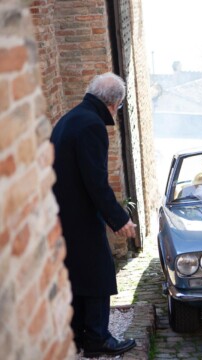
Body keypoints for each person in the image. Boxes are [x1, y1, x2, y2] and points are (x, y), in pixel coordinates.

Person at [50, 73, 137, 357]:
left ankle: (76, 336)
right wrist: (120, 218)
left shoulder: (69, 118)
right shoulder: (91, 125)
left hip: (62, 214)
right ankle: (98, 338)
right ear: (114, 103)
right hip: (80, 216)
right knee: (99, 274)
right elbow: (95, 181)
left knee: (77, 275)